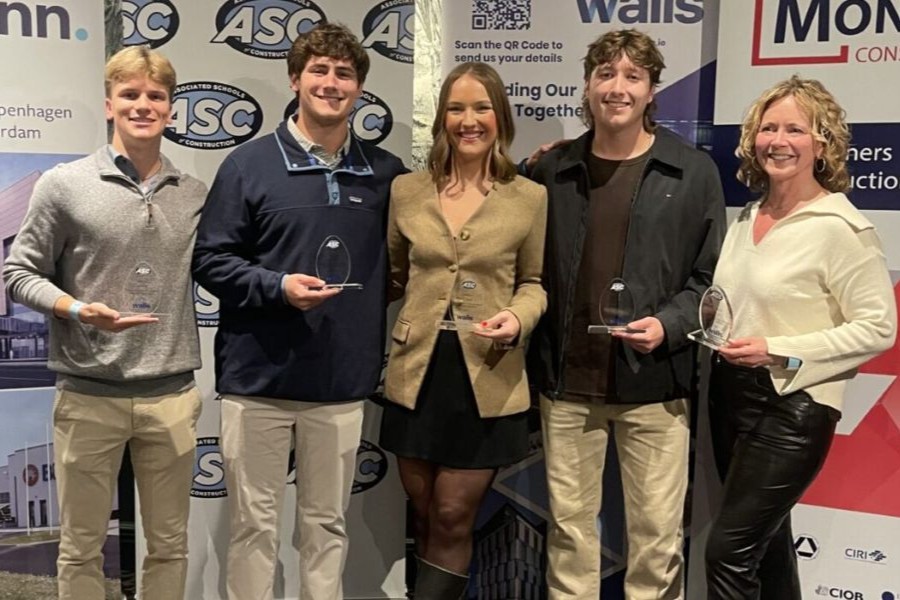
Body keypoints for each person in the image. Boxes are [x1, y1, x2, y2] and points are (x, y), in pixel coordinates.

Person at [191, 22, 406, 600]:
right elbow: (210, 261)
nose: (331, 83)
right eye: (319, 70)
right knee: (254, 528)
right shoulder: (247, 166)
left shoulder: (388, 176)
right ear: (294, 79)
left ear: (359, 88)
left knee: (326, 527)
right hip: (257, 380)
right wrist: (277, 286)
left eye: (344, 73)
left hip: (339, 385)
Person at [525, 29, 726, 599]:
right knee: (568, 536)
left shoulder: (692, 174)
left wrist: (668, 324)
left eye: (632, 77)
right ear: (587, 87)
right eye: (605, 75)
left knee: (658, 540)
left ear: (651, 90)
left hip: (657, 386)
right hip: (566, 388)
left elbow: (710, 283)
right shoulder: (551, 171)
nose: (618, 88)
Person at [3, 46, 206, 600]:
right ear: (109, 104)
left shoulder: (193, 193)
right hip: (88, 395)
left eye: (156, 96)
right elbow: (17, 273)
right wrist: (74, 307)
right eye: (131, 94)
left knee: (169, 545)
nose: (144, 105)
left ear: (170, 109)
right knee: (81, 547)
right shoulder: (64, 184)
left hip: (171, 395)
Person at [703, 76, 896, 599]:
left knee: (727, 552)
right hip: (731, 397)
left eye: (795, 128)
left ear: (822, 143)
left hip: (793, 407)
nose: (778, 140)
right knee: (766, 547)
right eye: (768, 128)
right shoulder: (748, 218)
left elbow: (880, 326)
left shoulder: (841, 227)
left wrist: (783, 348)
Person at [379, 61, 547, 598]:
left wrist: (518, 317)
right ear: (441, 118)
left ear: (500, 117)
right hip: (416, 373)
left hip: (486, 374)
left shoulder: (529, 196)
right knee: (424, 513)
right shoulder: (406, 191)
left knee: (453, 515)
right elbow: (395, 274)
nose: (468, 120)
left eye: (481, 108)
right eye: (456, 108)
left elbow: (536, 282)